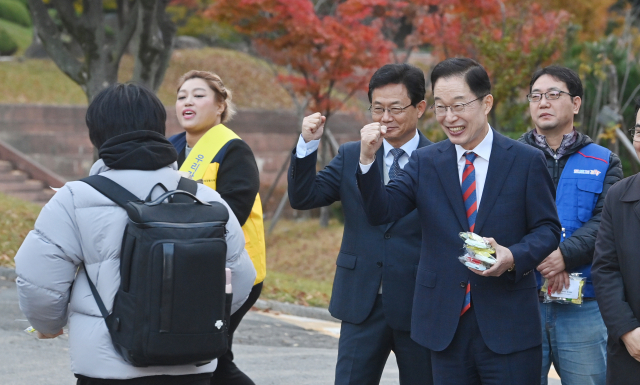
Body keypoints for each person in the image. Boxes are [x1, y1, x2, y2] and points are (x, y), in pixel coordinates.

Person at [14, 83, 256, 384]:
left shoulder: (75, 198)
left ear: (96, 134)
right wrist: (193, 322)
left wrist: (48, 325)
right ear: (158, 127)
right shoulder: (205, 198)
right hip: (191, 367)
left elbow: (40, 281)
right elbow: (242, 277)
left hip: (109, 368)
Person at [357, 57, 561, 385]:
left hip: (508, 324)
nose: (449, 118)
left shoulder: (525, 161)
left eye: (459, 105)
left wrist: (512, 257)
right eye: (440, 107)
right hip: (444, 325)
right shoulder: (426, 162)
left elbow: (548, 229)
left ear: (486, 103)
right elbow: (383, 211)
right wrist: (367, 160)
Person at [288, 63, 433, 384]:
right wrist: (307, 145)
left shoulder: (438, 158)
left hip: (418, 303)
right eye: (378, 108)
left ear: (420, 107)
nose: (385, 117)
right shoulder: (352, 154)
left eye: (396, 108)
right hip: (361, 300)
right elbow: (304, 198)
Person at [518, 65, 622, 385]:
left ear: (575, 104)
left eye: (553, 94)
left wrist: (565, 255)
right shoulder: (509, 156)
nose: (543, 102)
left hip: (584, 305)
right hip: (522, 302)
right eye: (536, 96)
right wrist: (545, 260)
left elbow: (605, 222)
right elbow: (500, 218)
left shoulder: (604, 160)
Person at [168, 70, 265, 385]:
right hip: (189, 267)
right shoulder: (169, 150)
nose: (187, 102)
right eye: (182, 96)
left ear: (221, 105)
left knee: (212, 358)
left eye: (198, 95)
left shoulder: (233, 150)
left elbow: (233, 212)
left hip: (234, 271)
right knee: (208, 359)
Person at [592, 101, 640, 385]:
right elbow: (606, 269)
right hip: (631, 352)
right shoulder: (619, 195)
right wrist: (626, 330)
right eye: (639, 130)